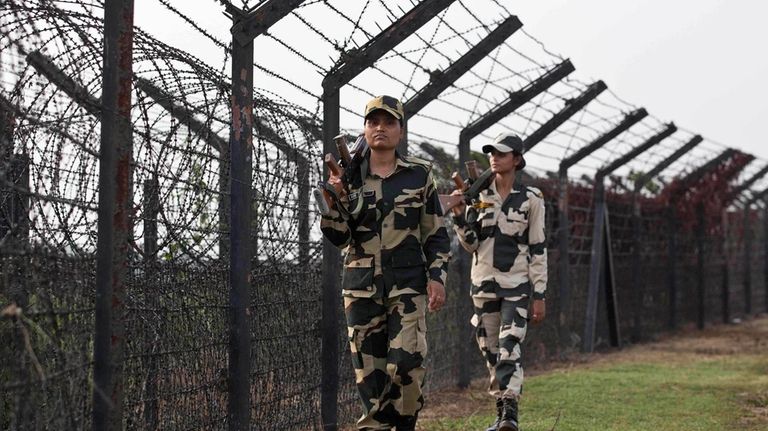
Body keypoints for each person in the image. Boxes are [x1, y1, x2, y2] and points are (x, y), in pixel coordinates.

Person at [321, 95, 451, 430]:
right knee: (370, 378)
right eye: (373, 122)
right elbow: (338, 239)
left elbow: (435, 235)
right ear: (364, 130)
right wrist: (334, 201)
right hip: (361, 290)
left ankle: (403, 423)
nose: (381, 128)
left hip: (407, 286)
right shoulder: (348, 178)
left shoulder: (419, 176)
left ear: (400, 131)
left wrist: (437, 277)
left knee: (407, 365)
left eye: (389, 122)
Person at [450, 133, 547, 431]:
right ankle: (502, 411)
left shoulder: (531, 198)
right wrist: (458, 217)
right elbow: (471, 243)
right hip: (482, 285)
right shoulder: (479, 195)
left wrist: (540, 293)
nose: (494, 157)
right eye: (492, 152)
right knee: (491, 350)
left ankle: (510, 415)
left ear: (516, 159)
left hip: (516, 285)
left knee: (509, 345)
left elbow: (538, 247)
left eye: (502, 153)